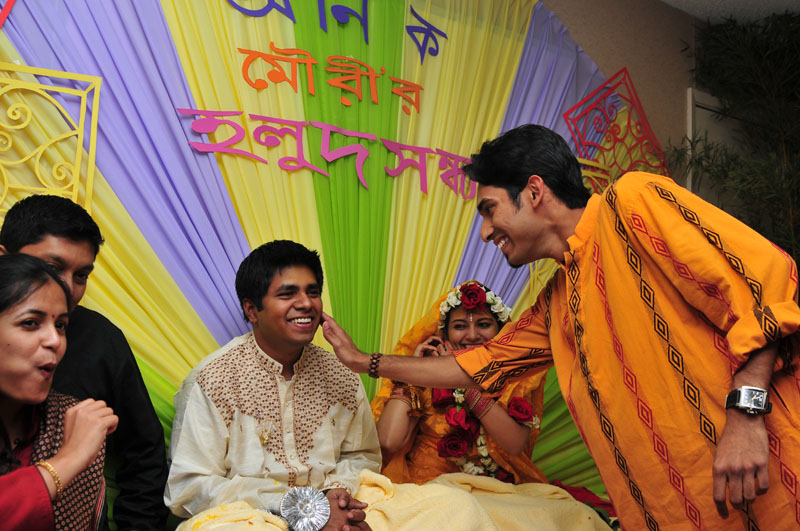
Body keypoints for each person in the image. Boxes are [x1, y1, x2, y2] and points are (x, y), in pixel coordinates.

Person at [321, 124, 800, 530]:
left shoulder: (631, 203)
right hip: (673, 509)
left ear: (534, 192)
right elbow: (478, 365)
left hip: (762, 473)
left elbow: (768, 282)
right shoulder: (557, 299)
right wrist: (366, 361)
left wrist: (746, 416)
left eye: (489, 209)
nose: (485, 232)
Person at [165, 240, 380, 530]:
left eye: (312, 292)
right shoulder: (213, 379)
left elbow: (362, 455)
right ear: (252, 310)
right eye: (287, 293)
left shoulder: (342, 373)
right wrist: (302, 509)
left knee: (437, 505)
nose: (306, 303)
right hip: (249, 519)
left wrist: (335, 498)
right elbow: (188, 486)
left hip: (334, 508)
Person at [0, 195, 169, 530]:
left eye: (81, 275)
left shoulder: (98, 346)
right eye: (30, 323)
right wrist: (68, 459)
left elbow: (144, 456)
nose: (66, 287)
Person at [372, 280, 547, 485]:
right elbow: (388, 441)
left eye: (483, 324)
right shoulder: (427, 375)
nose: (472, 336)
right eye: (460, 326)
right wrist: (413, 373)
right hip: (427, 490)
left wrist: (463, 383)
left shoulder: (515, 377)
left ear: (500, 332)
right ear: (444, 335)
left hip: (491, 491)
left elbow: (515, 445)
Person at [0, 254, 118, 530]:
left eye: (61, 325)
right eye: (31, 323)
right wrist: (68, 459)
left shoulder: (72, 421)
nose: (55, 340)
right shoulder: (76, 444)